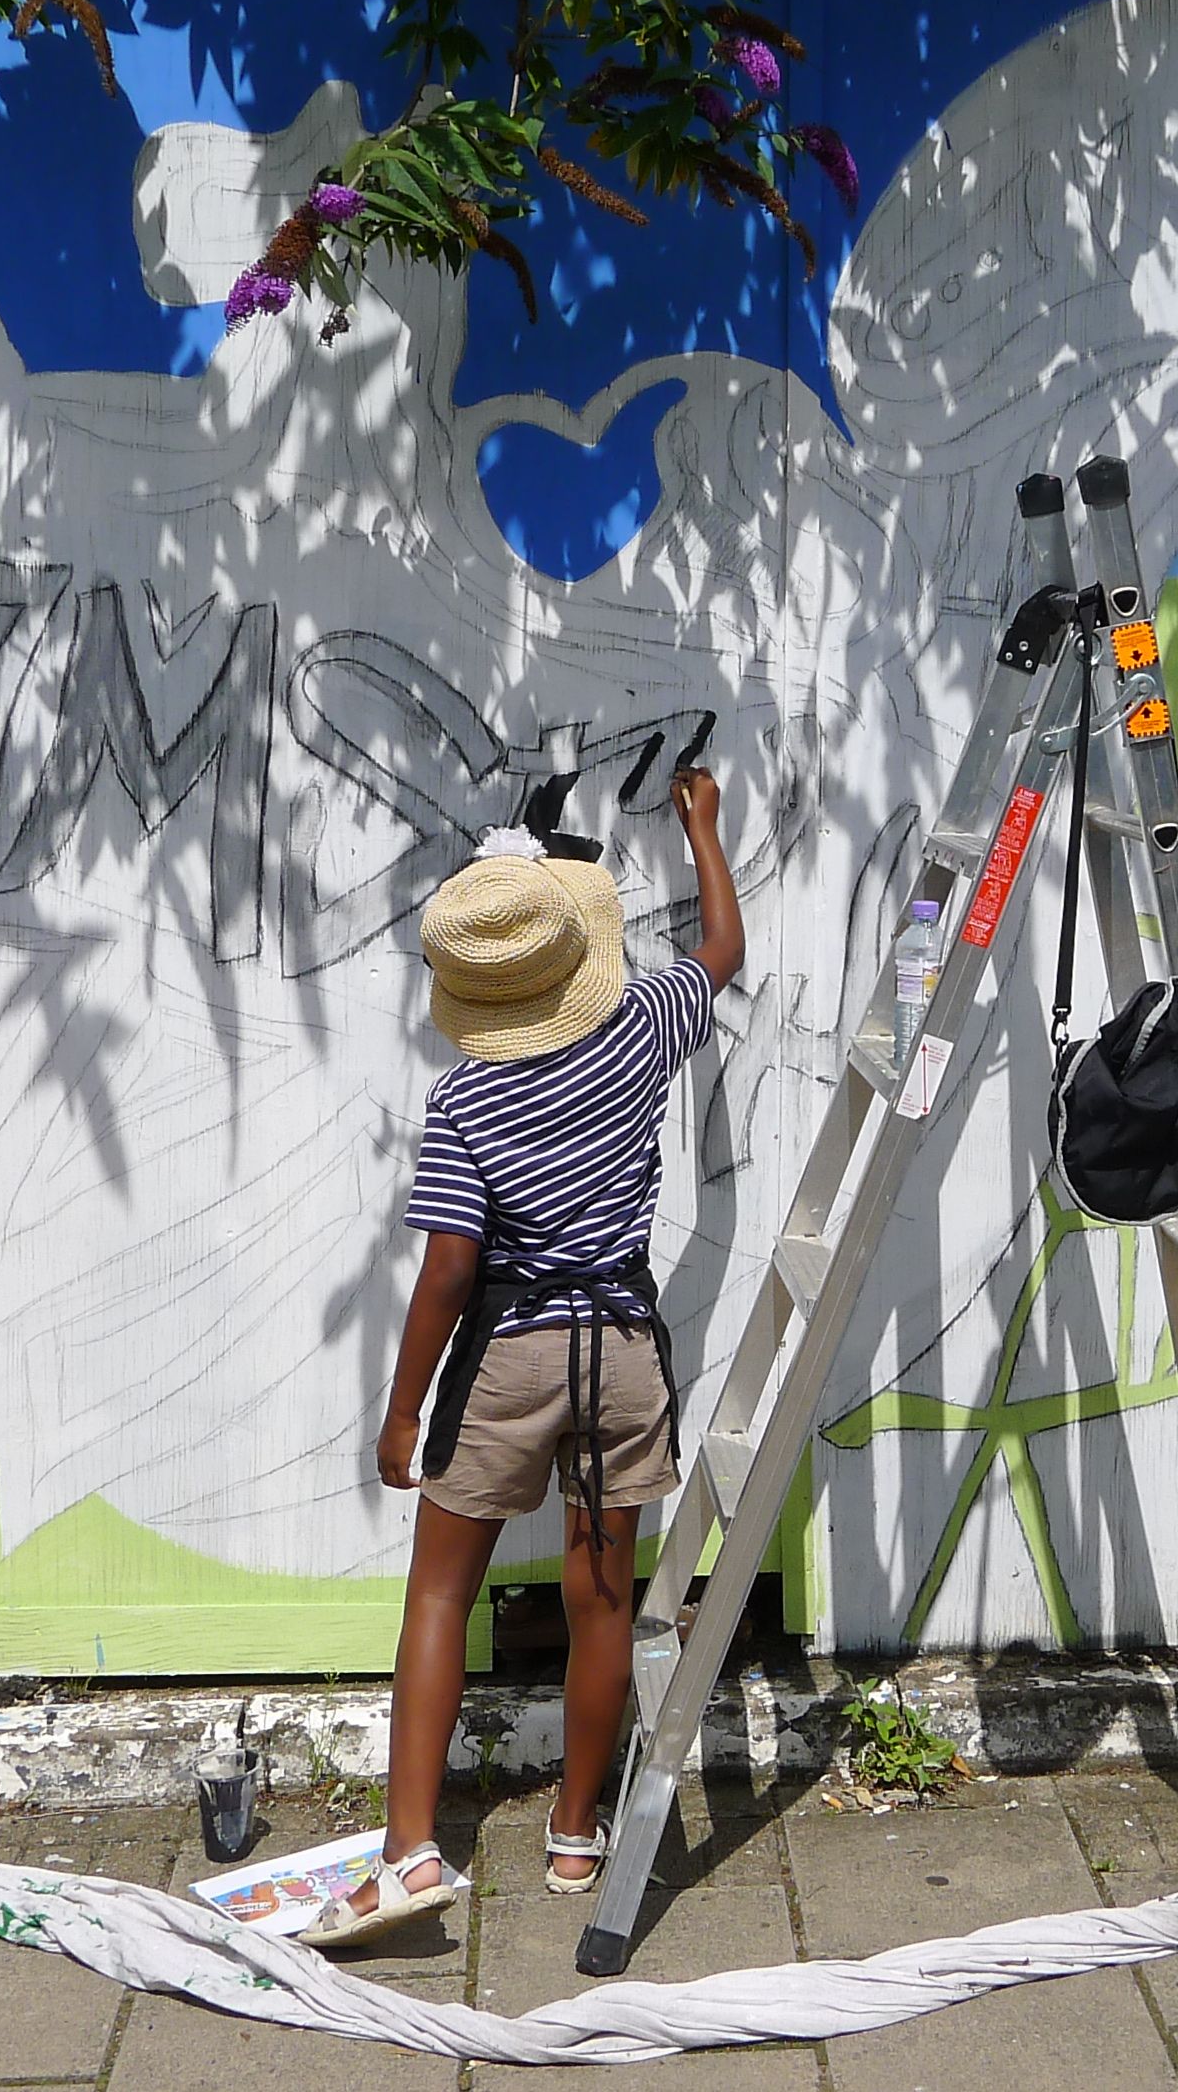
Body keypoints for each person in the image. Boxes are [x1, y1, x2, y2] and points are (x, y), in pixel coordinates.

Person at [304, 766, 743, 1948]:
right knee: (601, 1603)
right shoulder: (644, 1028)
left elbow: (448, 1272)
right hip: (621, 1351)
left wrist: (401, 1413)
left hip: (506, 1354)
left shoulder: (463, 1100)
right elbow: (720, 950)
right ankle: (573, 1833)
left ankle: (408, 1851)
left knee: (440, 1590)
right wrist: (702, 830)